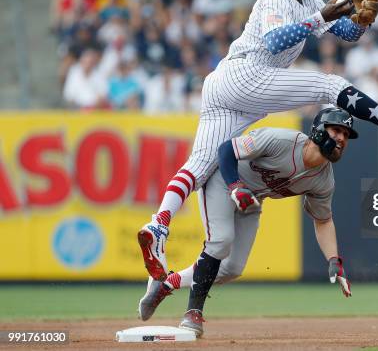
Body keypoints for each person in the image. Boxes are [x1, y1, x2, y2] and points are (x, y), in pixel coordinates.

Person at [137, 0, 378, 284]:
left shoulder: (311, 0)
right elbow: (274, 42)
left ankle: (159, 224)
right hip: (246, 74)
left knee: (200, 163)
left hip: (226, 89)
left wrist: (362, 20)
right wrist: (322, 16)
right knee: (330, 87)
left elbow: (345, 33)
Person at [138, 108, 359, 336]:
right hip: (224, 181)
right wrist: (235, 186)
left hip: (252, 199)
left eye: (346, 134)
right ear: (318, 130)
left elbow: (323, 220)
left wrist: (334, 259)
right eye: (336, 130)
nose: (342, 138)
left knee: (232, 268)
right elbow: (226, 150)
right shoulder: (282, 140)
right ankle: (193, 312)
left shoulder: (324, 180)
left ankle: (165, 284)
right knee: (221, 241)